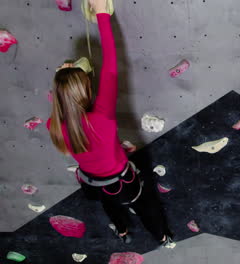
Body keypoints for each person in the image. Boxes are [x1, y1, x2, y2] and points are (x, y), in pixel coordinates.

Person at [47, 0, 174, 248]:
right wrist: (102, 14)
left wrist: (62, 80)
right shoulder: (101, 117)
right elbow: (111, 66)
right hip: (122, 182)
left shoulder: (54, 124)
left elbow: (60, 103)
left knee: (110, 206)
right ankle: (161, 236)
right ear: (86, 89)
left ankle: (123, 230)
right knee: (146, 205)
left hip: (91, 183)